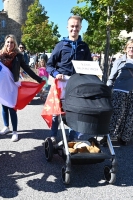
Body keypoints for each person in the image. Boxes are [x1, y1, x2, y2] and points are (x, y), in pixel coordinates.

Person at [46, 15, 92, 144]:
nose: (74, 29)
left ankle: (72, 136)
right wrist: (55, 73)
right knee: (57, 111)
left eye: (77, 26)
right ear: (67, 27)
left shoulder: (84, 46)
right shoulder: (60, 45)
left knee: (76, 110)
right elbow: (49, 65)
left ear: (80, 27)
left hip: (77, 84)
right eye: (72, 26)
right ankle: (54, 135)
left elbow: (90, 65)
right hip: (61, 83)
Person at [0, 34, 44, 142]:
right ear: (5, 43)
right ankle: (6, 126)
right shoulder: (0, 55)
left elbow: (27, 69)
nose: (10, 44)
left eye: (12, 42)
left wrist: (38, 79)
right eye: (8, 42)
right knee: (4, 106)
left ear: (15, 44)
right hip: (2, 84)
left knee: (12, 108)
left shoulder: (18, 56)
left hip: (13, 84)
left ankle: (14, 132)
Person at [107, 39, 133, 146]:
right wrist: (107, 90)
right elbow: (111, 77)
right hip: (120, 91)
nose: (132, 50)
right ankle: (110, 137)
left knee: (131, 116)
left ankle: (125, 137)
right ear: (126, 49)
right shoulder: (119, 61)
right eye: (130, 47)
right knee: (117, 115)